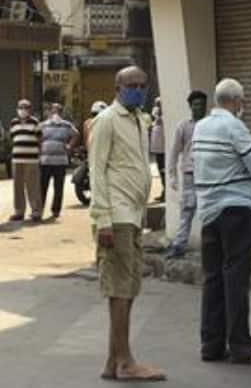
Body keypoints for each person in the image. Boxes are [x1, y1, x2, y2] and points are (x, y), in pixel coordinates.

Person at [192, 79, 251, 364]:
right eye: (243, 101)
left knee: (213, 279)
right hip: (237, 212)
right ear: (237, 101)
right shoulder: (234, 126)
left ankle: (211, 345)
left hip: (208, 212)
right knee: (236, 280)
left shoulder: (201, 127)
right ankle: (241, 344)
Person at [89, 66, 165, 381]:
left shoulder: (139, 120)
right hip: (116, 217)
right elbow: (97, 171)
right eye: (131, 85)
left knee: (128, 288)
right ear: (117, 88)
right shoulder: (107, 120)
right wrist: (103, 220)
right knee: (120, 290)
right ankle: (125, 362)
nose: (138, 90)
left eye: (143, 85)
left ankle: (113, 361)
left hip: (133, 215)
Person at [166, 90, 208, 259]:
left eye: (202, 105)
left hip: (208, 174)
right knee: (187, 210)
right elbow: (174, 152)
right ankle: (179, 246)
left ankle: (210, 247)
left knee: (209, 211)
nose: (199, 108)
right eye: (196, 105)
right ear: (190, 107)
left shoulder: (211, 125)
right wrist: (172, 176)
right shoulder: (184, 127)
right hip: (190, 174)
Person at [39, 103, 80, 219]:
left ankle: (56, 210)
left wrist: (69, 146)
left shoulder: (66, 125)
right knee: (42, 187)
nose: (55, 113)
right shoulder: (43, 125)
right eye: (53, 111)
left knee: (58, 187)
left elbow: (76, 135)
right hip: (45, 161)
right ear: (50, 112)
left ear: (61, 113)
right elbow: (37, 136)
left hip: (60, 161)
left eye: (58, 111)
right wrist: (40, 148)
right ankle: (39, 209)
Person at [8, 99, 43, 223]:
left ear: (30, 109)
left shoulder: (35, 122)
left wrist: (39, 155)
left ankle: (36, 211)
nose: (23, 110)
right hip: (17, 159)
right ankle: (19, 211)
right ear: (17, 108)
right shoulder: (13, 122)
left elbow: (40, 139)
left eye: (26, 107)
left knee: (33, 186)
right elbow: (13, 138)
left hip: (31, 160)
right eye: (21, 107)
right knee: (17, 186)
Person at [150, 98, 166, 202]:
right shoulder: (156, 117)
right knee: (160, 171)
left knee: (164, 171)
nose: (157, 107)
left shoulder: (164, 118)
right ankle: (164, 191)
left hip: (163, 150)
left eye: (159, 104)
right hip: (158, 149)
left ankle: (166, 192)